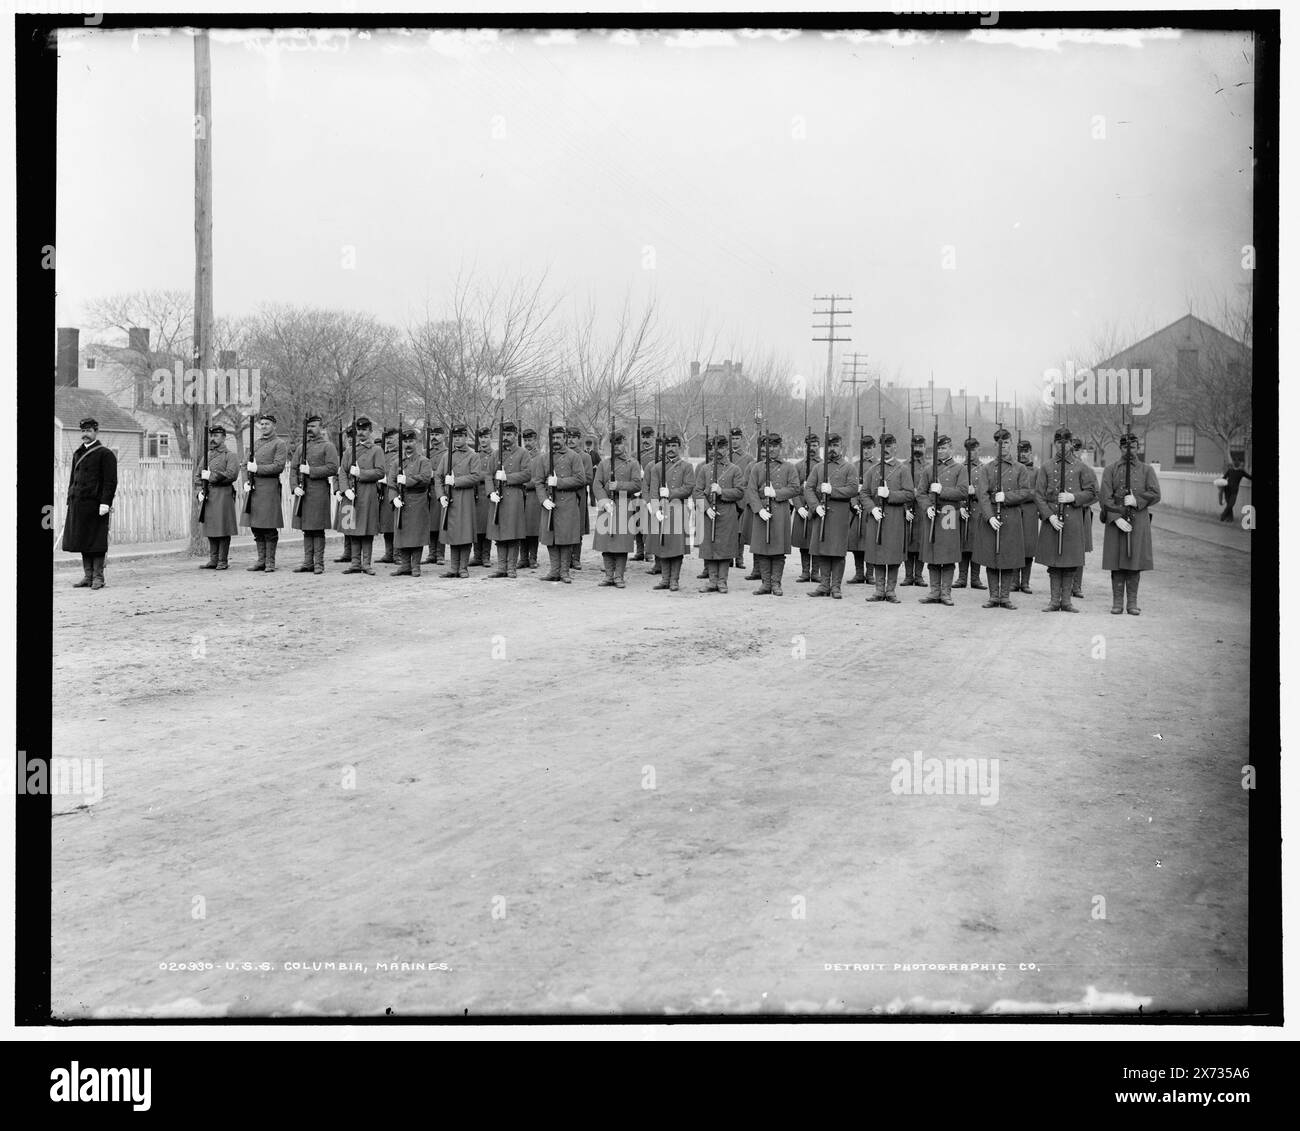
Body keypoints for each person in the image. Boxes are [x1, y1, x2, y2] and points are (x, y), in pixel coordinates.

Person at [1033, 427, 1098, 612]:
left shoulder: (1081, 467)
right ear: (1055, 444)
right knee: (1053, 562)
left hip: (1073, 520)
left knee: (1069, 562)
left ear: (1071, 444)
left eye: (1066, 443)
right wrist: (1050, 516)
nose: (1062, 446)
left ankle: (1067, 601)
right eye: (1059, 443)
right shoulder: (1046, 467)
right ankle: (1054, 600)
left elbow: (1093, 493)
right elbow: (1038, 495)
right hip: (1052, 519)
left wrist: (1073, 498)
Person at [973, 428, 1034, 609]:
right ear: (995, 445)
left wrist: (1006, 497)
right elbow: (982, 495)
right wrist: (989, 517)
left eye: (1006, 443)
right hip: (992, 518)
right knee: (992, 557)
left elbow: (1025, 492)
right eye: (1000, 443)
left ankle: (1005, 597)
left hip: (1012, 517)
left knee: (1008, 557)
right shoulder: (987, 469)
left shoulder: (1020, 469)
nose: (1003, 446)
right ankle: (993, 596)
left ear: (1011, 444)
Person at [1101, 432, 1161, 614]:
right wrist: (1116, 518)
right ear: (1121, 448)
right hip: (1116, 522)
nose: (1130, 450)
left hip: (1138, 521)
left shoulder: (1147, 470)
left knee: (1134, 562)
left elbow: (1156, 494)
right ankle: (1117, 602)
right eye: (1126, 447)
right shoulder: (1110, 470)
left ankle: (1132, 603)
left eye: (1133, 447)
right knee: (1117, 562)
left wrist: (1137, 501)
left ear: (1138, 448)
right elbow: (1104, 497)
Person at [61, 416, 118, 589]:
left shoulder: (105, 454)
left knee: (97, 541)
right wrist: (70, 498)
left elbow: (110, 481)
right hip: (78, 504)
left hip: (96, 505)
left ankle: (98, 577)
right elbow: (73, 478)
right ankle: (88, 576)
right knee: (83, 540)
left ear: (96, 432)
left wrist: (105, 503)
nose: (85, 434)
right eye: (83, 431)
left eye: (89, 431)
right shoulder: (77, 453)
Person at [803, 430, 860, 600]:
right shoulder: (818, 467)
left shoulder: (849, 467)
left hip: (840, 515)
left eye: (835, 446)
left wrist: (832, 491)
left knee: (837, 552)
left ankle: (836, 586)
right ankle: (824, 585)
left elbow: (852, 489)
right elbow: (808, 488)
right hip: (822, 514)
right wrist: (815, 506)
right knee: (822, 550)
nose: (832, 449)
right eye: (829, 446)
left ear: (841, 447)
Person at [744, 432, 801, 596]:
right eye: (769, 446)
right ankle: (765, 583)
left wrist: (776, 493)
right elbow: (751, 490)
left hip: (780, 511)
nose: (772, 450)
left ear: (780, 447)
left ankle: (776, 583)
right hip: (761, 511)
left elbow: (795, 488)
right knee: (762, 549)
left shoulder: (788, 467)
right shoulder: (757, 467)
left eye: (775, 446)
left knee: (778, 549)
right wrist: (759, 509)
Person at [861, 432, 915, 603]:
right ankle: (878, 590)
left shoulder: (903, 470)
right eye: (883, 446)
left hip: (895, 518)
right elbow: (864, 493)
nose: (886, 450)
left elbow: (909, 495)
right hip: (877, 517)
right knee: (877, 553)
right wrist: (872, 509)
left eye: (890, 446)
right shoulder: (873, 470)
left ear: (895, 447)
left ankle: (890, 591)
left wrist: (890, 494)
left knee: (893, 555)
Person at [917, 434, 966, 606]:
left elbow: (962, 492)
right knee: (932, 552)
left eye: (944, 448)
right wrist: (926, 507)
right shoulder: (929, 470)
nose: (941, 451)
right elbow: (921, 493)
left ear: (951, 449)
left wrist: (942, 490)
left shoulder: (959, 469)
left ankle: (946, 593)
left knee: (948, 553)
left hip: (949, 512)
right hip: (932, 513)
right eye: (938, 448)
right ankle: (934, 591)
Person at [694, 432, 746, 593]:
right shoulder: (705, 469)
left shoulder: (734, 470)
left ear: (726, 448)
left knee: (724, 548)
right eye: (712, 448)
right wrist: (707, 508)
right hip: (708, 512)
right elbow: (697, 491)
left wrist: (722, 491)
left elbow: (740, 492)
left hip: (727, 512)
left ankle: (722, 581)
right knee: (709, 546)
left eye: (721, 447)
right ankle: (712, 581)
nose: (716, 451)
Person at [592, 428, 642, 587]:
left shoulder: (632, 463)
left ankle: (619, 576)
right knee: (606, 543)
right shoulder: (604, 463)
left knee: (621, 544)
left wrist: (619, 485)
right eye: (614, 444)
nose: (617, 447)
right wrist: (604, 501)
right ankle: (608, 575)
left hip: (624, 505)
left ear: (625, 444)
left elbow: (637, 484)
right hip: (607, 506)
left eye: (620, 443)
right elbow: (597, 484)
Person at [290, 413, 339, 575]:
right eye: (308, 426)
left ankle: (319, 563)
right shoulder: (300, 447)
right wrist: (294, 486)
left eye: (313, 426)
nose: (310, 429)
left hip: (318, 492)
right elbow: (294, 469)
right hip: (302, 492)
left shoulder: (328, 446)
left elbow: (332, 468)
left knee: (317, 529)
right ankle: (307, 562)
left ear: (322, 428)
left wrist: (311, 471)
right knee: (306, 529)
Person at [645, 433, 695, 592]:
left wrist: (671, 493)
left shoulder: (686, 467)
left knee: (676, 547)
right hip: (661, 511)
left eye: (674, 446)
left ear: (679, 448)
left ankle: (674, 580)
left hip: (678, 510)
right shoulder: (657, 467)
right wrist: (655, 510)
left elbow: (688, 488)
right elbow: (653, 492)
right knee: (663, 545)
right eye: (668, 446)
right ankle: (665, 579)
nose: (671, 449)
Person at [537, 424, 586, 583]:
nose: (556, 441)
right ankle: (554, 570)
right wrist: (543, 499)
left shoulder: (574, 457)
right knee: (550, 537)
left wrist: (559, 482)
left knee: (566, 538)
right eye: (553, 438)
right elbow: (538, 481)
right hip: (550, 503)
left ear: (564, 438)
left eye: (559, 437)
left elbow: (580, 479)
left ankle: (564, 572)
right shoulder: (544, 458)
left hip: (567, 502)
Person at [241, 411, 288, 573]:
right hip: (254, 488)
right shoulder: (256, 443)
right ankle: (261, 560)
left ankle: (270, 561)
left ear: (274, 426)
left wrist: (258, 469)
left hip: (269, 487)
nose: (264, 426)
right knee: (256, 526)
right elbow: (244, 464)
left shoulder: (279, 444)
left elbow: (278, 466)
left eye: (267, 423)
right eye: (262, 424)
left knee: (268, 526)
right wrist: (246, 481)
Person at [340, 415, 386, 576]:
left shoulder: (376, 450)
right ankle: (354, 563)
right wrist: (345, 489)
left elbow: (380, 472)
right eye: (359, 430)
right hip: (350, 495)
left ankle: (366, 564)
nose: (361, 433)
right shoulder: (348, 451)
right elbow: (342, 473)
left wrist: (362, 473)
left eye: (364, 430)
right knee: (351, 529)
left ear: (370, 431)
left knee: (367, 530)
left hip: (367, 494)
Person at [436, 423, 483, 578]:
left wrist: (456, 481)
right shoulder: (446, 456)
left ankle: (463, 568)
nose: (457, 440)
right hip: (449, 499)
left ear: (465, 437)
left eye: (460, 437)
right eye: (454, 437)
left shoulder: (473, 455)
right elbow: (438, 477)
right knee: (452, 533)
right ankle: (453, 567)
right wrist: (441, 495)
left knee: (465, 533)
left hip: (465, 498)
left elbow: (476, 476)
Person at [486, 421, 530, 579]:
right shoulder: (495, 454)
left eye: (509, 434)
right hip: (498, 498)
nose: (505, 437)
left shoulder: (522, 453)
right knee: (499, 534)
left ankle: (511, 568)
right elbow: (488, 475)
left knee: (513, 534)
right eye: (503, 434)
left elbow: (527, 474)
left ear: (515, 435)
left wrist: (508, 477)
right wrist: (490, 492)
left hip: (514, 497)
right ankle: (501, 567)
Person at [388, 427, 432, 576]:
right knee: (402, 533)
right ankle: (405, 565)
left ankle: (416, 566)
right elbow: (391, 483)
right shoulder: (396, 462)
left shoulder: (423, 461)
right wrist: (393, 498)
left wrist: (407, 480)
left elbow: (426, 478)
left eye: (411, 441)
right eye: (405, 441)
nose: (408, 444)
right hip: (401, 501)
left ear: (416, 442)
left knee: (416, 534)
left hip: (418, 500)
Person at [195, 423, 239, 570]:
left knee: (223, 528)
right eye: (212, 436)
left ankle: (222, 560)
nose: (213, 439)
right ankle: (213, 559)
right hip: (209, 495)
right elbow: (197, 475)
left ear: (224, 438)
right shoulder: (207, 456)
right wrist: (200, 490)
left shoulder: (230, 456)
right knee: (211, 528)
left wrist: (212, 476)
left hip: (223, 494)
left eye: (216, 436)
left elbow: (232, 475)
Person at [953, 437, 986, 591]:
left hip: (977, 509)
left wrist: (976, 491)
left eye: (973, 449)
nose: (970, 452)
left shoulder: (984, 469)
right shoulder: (959, 468)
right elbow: (955, 490)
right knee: (963, 542)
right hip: (963, 509)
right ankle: (961, 577)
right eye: (968, 449)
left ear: (979, 450)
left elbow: (988, 491)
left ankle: (975, 578)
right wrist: (960, 507)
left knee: (976, 543)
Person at [791, 432, 821, 583]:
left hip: (816, 507)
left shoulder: (823, 465)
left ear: (819, 446)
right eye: (809, 445)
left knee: (815, 539)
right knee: (803, 540)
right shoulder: (798, 466)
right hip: (802, 507)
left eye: (815, 445)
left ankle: (815, 572)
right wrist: (798, 507)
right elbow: (793, 489)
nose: (812, 448)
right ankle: (804, 571)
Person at [848, 434, 876, 586]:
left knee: (869, 541)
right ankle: (859, 573)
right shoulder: (854, 466)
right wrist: (853, 502)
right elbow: (849, 487)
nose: (866, 451)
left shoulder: (878, 465)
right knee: (856, 542)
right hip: (856, 509)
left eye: (869, 448)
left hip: (871, 507)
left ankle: (870, 574)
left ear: (874, 448)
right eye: (864, 448)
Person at [902, 433, 927, 585]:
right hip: (908, 507)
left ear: (925, 447)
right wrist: (905, 508)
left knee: (921, 541)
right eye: (915, 446)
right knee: (908, 540)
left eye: (920, 446)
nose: (918, 449)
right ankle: (908, 575)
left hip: (923, 508)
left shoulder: (930, 466)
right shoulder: (904, 465)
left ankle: (918, 575)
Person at [1013, 439, 1038, 594]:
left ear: (1030, 452)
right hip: (1016, 511)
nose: (1023, 455)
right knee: (1016, 546)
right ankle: (1014, 582)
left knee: (1028, 548)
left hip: (1030, 512)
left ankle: (1026, 582)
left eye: (1026, 451)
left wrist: (1023, 494)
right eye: (1020, 452)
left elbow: (1040, 491)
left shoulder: (1037, 472)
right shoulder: (1013, 470)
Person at [729, 426, 755, 573]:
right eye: (732, 438)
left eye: (737, 438)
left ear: (742, 440)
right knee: (729, 530)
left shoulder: (748, 458)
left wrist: (744, 501)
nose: (735, 441)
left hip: (741, 499)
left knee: (739, 531)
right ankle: (728, 557)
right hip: (727, 497)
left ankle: (739, 558)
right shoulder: (725, 457)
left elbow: (749, 482)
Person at [567, 426, 592, 570]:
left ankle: (576, 558)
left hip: (579, 495)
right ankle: (565, 557)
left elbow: (588, 478)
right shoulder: (561, 455)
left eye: (574, 437)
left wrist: (571, 481)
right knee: (565, 526)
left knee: (578, 527)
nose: (570, 440)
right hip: (563, 495)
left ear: (579, 439)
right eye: (568, 437)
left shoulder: (585, 457)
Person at [1070, 436, 1092, 599]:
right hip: (1064, 512)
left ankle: (1076, 585)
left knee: (1079, 550)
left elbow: (1094, 493)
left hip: (1081, 512)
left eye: (1078, 449)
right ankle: (1064, 585)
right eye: (1073, 449)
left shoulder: (1085, 469)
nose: (1075, 452)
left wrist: (1079, 500)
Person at [332, 423, 356, 563]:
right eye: (349, 437)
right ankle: (347, 552)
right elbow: (337, 474)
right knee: (347, 524)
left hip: (353, 492)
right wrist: (337, 490)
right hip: (344, 492)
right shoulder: (344, 454)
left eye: (353, 436)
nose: (351, 439)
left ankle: (354, 554)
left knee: (354, 525)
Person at [470, 426, 494, 566]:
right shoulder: (475, 456)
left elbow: (494, 473)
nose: (483, 440)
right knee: (476, 524)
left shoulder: (495, 455)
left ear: (491, 438)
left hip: (488, 492)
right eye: (481, 437)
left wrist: (481, 475)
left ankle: (486, 556)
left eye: (486, 437)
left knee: (487, 525)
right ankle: (477, 555)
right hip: (476, 492)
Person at [424, 424, 448, 565]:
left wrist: (433, 474)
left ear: (443, 436)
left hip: (440, 489)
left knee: (440, 522)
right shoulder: (425, 452)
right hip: (426, 491)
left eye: (437, 435)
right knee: (430, 524)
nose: (434, 438)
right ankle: (431, 553)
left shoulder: (447, 453)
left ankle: (440, 554)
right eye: (432, 435)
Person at [634, 424, 656, 566]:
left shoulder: (657, 454)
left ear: (653, 437)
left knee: (648, 522)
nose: (646, 440)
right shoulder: (635, 455)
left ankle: (649, 552)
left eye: (648, 437)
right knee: (637, 522)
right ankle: (639, 551)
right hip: (636, 492)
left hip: (649, 491)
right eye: (643, 437)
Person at [376, 426, 399, 563]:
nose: (389, 441)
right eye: (388, 438)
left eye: (392, 438)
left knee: (395, 524)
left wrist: (387, 479)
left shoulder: (401, 455)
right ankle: (389, 553)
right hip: (383, 492)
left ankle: (398, 554)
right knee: (386, 524)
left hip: (395, 491)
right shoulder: (382, 454)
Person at [520, 427, 541, 569]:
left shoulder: (541, 457)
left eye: (530, 440)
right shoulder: (520, 455)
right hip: (520, 496)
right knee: (521, 528)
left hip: (534, 496)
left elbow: (541, 478)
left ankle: (533, 558)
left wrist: (525, 484)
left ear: (536, 440)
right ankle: (523, 558)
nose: (527, 443)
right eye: (525, 440)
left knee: (533, 529)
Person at [1219, 457, 1252, 523]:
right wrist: (1219, 482)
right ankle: (1230, 519)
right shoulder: (1230, 470)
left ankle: (1223, 516)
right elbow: (1224, 478)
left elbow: (1250, 477)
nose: (1236, 464)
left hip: (1234, 491)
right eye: (1235, 463)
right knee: (1229, 505)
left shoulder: (1241, 472)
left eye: (1237, 463)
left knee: (1231, 504)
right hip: (1227, 490)